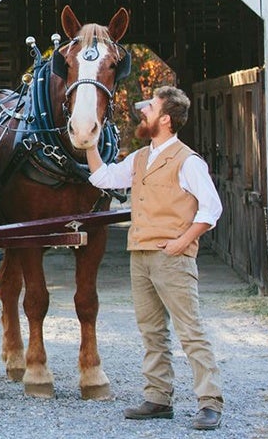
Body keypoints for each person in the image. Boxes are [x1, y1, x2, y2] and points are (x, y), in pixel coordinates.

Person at [85, 86, 224, 431]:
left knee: (189, 331)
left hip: (172, 258)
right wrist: (89, 143)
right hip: (140, 256)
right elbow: (104, 178)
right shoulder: (140, 158)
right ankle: (158, 398)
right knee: (151, 332)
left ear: (165, 119)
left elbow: (212, 209)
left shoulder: (188, 161)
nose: (142, 110)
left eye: (150, 106)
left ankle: (210, 402)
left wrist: (182, 242)